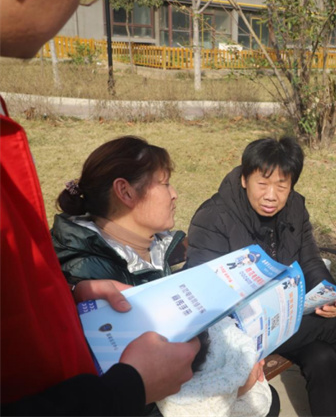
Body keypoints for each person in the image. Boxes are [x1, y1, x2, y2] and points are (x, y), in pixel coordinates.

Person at [0, 0, 200, 415]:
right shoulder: (91, 258)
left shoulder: (160, 246)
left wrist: (69, 295)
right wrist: (125, 390)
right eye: (164, 183)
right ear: (124, 192)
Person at [50, 136, 278, 417]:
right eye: (165, 183)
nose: (175, 194)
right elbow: (132, 392)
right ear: (125, 192)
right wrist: (233, 389)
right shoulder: (89, 272)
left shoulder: (152, 246)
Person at [186, 137, 336, 417]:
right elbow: (205, 291)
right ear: (244, 179)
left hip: (284, 316)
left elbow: (310, 259)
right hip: (239, 330)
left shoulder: (295, 207)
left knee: (322, 357)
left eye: (282, 186)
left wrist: (328, 293)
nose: (271, 196)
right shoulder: (214, 217)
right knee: (333, 325)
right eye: (263, 184)